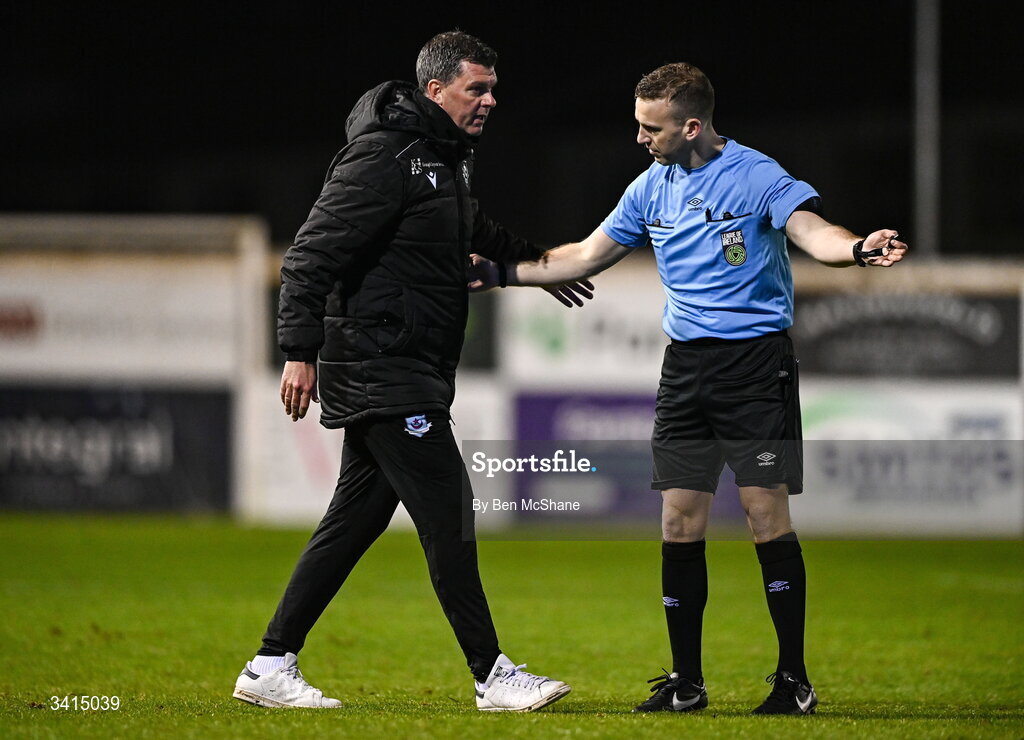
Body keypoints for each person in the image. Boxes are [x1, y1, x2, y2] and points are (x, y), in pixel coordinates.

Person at [469, 62, 908, 715]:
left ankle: (794, 680)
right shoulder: (651, 187)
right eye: (638, 124)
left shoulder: (757, 175)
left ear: (692, 125)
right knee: (677, 521)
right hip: (686, 371)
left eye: (652, 127)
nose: (640, 137)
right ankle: (686, 683)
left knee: (765, 517)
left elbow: (813, 234)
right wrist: (504, 270)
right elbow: (586, 255)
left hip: (755, 367)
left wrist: (860, 249)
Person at [233, 31, 588, 712]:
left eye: (492, 88)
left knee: (353, 523)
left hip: (408, 366)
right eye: (475, 89)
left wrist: (534, 266)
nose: (489, 100)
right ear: (435, 90)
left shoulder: (443, 160)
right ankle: (493, 676)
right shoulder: (383, 156)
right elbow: (307, 257)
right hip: (379, 364)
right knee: (449, 514)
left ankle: (269, 663)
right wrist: (298, 352)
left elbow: (469, 228)